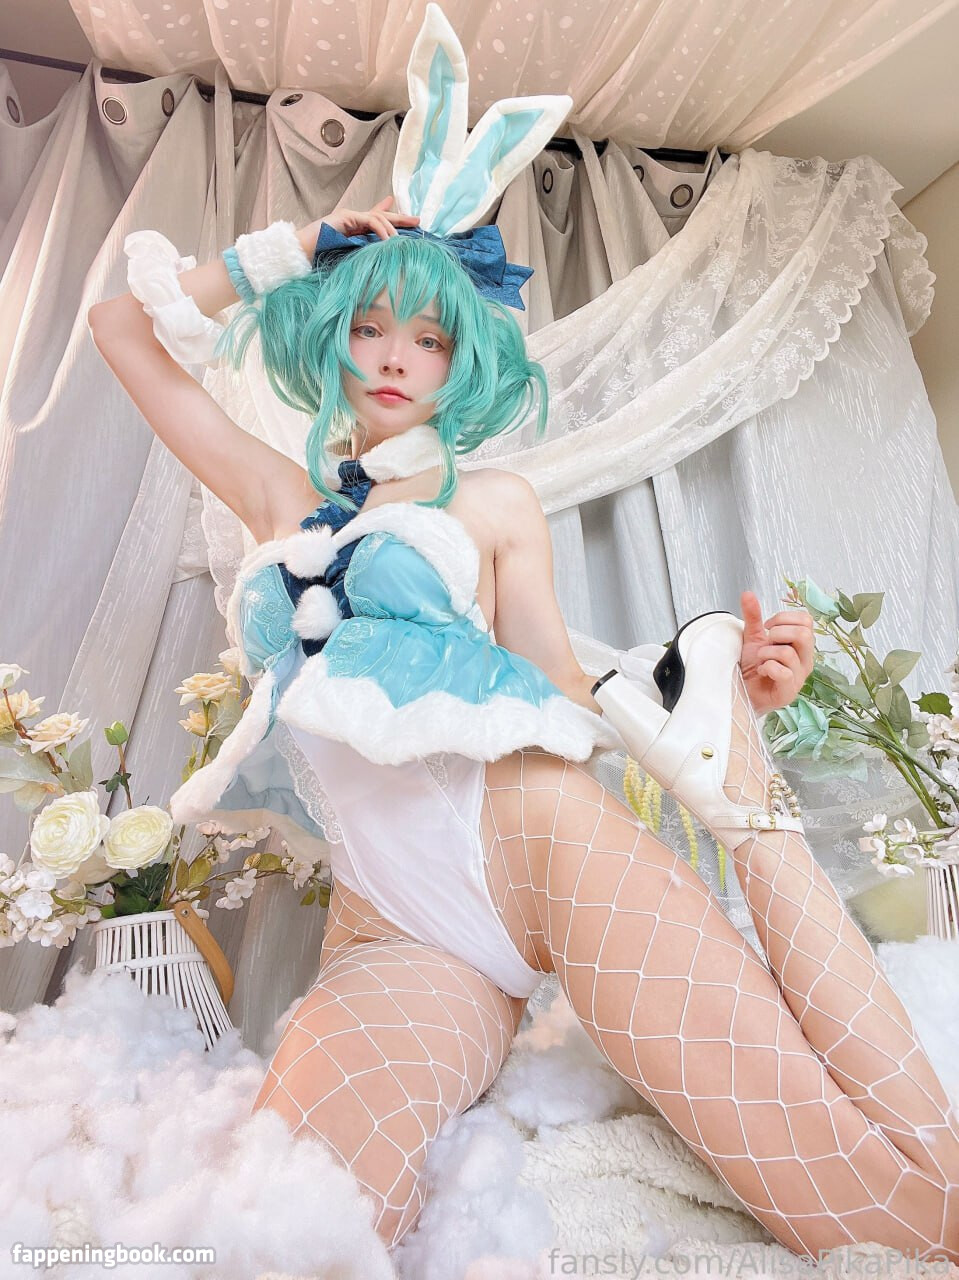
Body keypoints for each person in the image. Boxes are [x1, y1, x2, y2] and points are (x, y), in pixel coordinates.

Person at [85, 4, 958, 1263]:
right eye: (370, 325)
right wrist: (308, 242)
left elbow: (553, 678)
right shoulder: (277, 499)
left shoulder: (489, 504)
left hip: (538, 839)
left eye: (427, 336)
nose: (395, 356)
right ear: (332, 336)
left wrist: (719, 700)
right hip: (393, 923)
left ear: (460, 364)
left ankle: (736, 758)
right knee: (292, 1226)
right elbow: (122, 329)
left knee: (894, 1217)